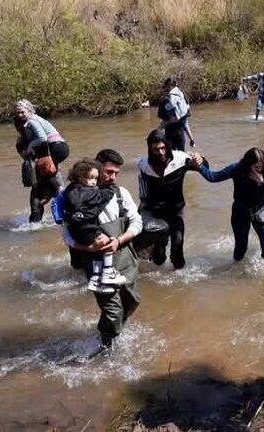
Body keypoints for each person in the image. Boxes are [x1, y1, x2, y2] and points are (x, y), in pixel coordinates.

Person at [62, 149, 143, 354]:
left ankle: (109, 333)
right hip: (97, 264)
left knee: (131, 301)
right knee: (113, 310)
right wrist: (89, 247)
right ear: (97, 168)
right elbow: (67, 235)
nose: (113, 177)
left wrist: (119, 240)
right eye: (108, 172)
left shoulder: (120, 193)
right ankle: (106, 349)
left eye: (116, 173)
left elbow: (137, 221)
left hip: (125, 257)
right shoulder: (75, 195)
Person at [137, 129, 203, 269]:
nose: (160, 152)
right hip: (156, 213)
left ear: (167, 145)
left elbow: (204, 168)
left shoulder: (181, 158)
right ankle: (156, 247)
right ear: (150, 149)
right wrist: (138, 220)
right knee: (159, 259)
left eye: (163, 148)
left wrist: (200, 158)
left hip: (176, 211)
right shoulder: (143, 165)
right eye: (156, 149)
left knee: (177, 253)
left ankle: (181, 286)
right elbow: (143, 196)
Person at [196, 147, 264, 261]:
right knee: (241, 248)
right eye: (256, 167)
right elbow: (213, 177)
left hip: (261, 210)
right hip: (240, 211)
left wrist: (262, 182)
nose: (259, 169)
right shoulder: (237, 168)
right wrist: (200, 165)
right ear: (248, 164)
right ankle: (236, 270)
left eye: (261, 166)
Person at [62, 159, 127, 292]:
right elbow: (102, 196)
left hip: (75, 230)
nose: (94, 182)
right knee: (106, 241)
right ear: (80, 177)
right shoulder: (90, 192)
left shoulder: (69, 191)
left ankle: (96, 279)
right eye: (91, 178)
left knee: (97, 251)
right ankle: (108, 272)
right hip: (87, 228)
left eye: (96, 178)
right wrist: (111, 189)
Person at [15, 99, 70, 223]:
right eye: (18, 113)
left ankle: (59, 190)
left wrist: (30, 146)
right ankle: (57, 192)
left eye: (22, 112)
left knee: (48, 170)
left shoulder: (32, 122)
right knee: (49, 171)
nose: (20, 116)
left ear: (29, 111)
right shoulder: (25, 133)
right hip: (53, 151)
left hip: (56, 147)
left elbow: (42, 138)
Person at [157, 78, 195, 151]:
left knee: (178, 155)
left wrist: (192, 139)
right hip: (173, 135)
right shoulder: (167, 100)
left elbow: (163, 123)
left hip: (175, 135)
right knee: (174, 154)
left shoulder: (178, 102)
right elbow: (185, 124)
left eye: (167, 87)